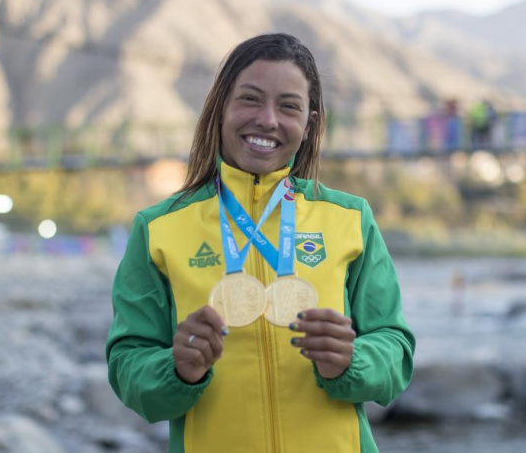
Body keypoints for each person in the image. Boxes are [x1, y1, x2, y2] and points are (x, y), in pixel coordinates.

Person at [106, 33, 415, 453]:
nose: (267, 120)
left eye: (288, 106)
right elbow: (127, 364)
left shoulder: (350, 219)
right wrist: (176, 370)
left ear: (308, 125)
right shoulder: (158, 229)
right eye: (250, 99)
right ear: (221, 110)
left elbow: (395, 351)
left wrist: (351, 361)